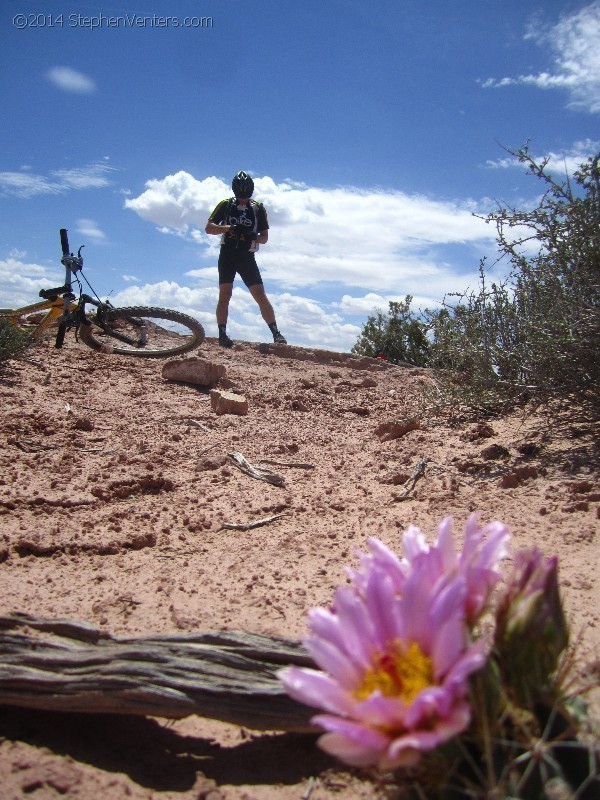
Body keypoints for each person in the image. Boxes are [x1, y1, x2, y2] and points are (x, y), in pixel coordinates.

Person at [205, 171, 287, 348]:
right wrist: (229, 228)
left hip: (246, 256)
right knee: (225, 294)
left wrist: (252, 236)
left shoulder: (258, 208)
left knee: (259, 294)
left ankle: (276, 332)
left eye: (246, 195)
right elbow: (209, 228)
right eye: (241, 196)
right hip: (227, 254)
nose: (243, 199)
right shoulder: (225, 205)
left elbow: (264, 238)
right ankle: (222, 334)